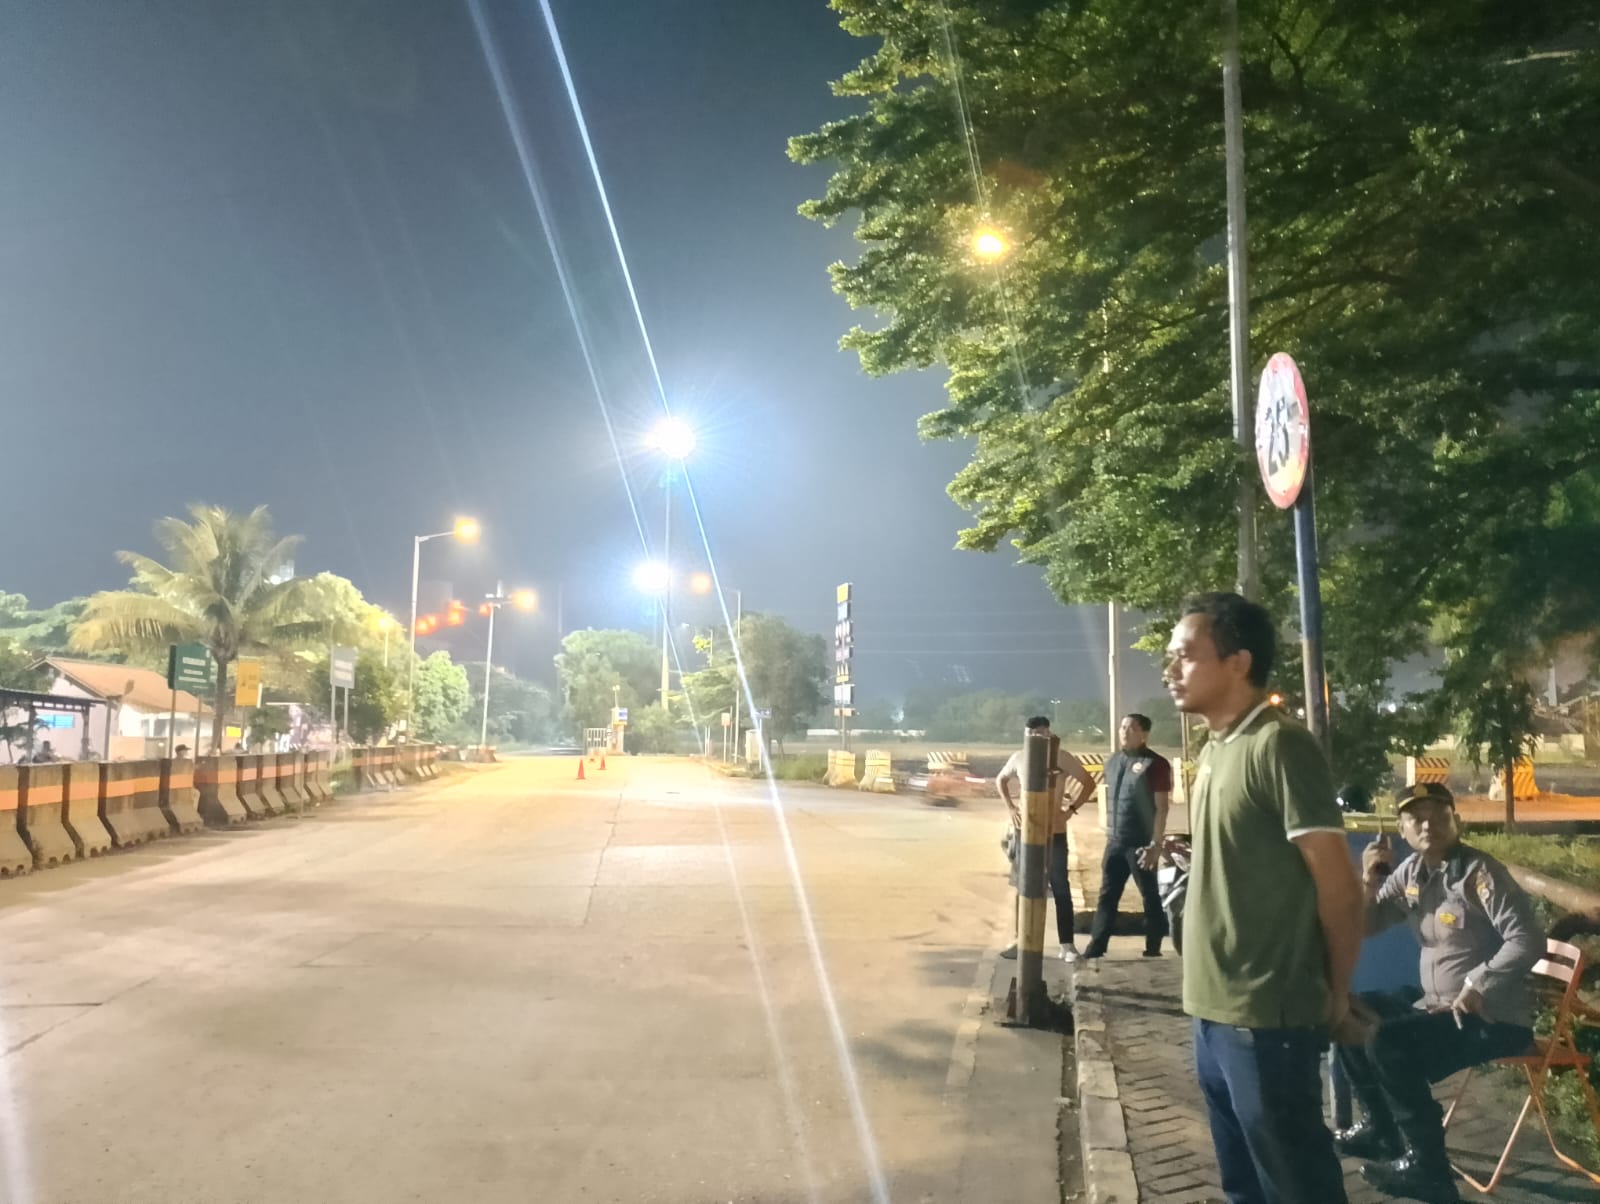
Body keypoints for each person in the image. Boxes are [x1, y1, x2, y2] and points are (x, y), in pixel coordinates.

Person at [1165, 592, 1366, 1204]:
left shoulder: (1279, 746)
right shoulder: (1215, 748)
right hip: (1211, 1010)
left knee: (1296, 1186)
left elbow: (1339, 887)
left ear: (1238, 663)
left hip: (1266, 1016)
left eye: (1186, 655)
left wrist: (1336, 993)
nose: (1171, 670)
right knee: (1244, 1188)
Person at [1335, 782, 1542, 1203]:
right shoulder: (1412, 872)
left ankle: (1429, 1170)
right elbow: (1366, 926)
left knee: (1390, 1044)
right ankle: (1382, 1131)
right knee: (1350, 1013)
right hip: (1435, 1005)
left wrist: (1478, 983)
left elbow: (1527, 939)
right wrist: (1369, 880)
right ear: (1402, 830)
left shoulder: (1480, 874)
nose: (1427, 825)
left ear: (1456, 821)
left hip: (1491, 1018)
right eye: (1416, 818)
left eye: (1438, 815)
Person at [996, 715, 1097, 962]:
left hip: (1055, 832)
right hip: (1026, 831)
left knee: (1060, 887)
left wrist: (1070, 810)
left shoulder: (1062, 758)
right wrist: (1010, 807)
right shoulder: (1019, 757)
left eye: (1041, 733)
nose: (1036, 738)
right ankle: (1020, 939)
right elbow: (1001, 780)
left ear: (1049, 733)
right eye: (1031, 734)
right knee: (1023, 886)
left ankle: (1067, 944)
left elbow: (1088, 782)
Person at [1082, 713, 1172, 959]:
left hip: (1141, 844)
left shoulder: (1155, 764)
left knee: (1149, 896)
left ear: (1144, 734)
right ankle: (1096, 946)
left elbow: (1162, 807)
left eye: (1131, 728)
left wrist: (1156, 843)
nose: (1124, 731)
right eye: (1122, 727)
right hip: (1115, 842)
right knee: (1107, 895)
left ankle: (1153, 946)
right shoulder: (1113, 761)